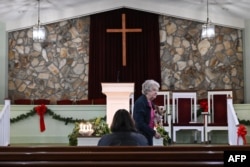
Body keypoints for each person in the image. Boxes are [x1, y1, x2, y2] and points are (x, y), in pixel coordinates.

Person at [133, 79, 161, 145]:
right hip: (141, 136)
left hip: (148, 134)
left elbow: (150, 116)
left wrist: (156, 117)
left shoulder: (150, 102)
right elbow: (139, 123)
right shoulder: (140, 103)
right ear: (147, 91)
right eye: (154, 90)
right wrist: (153, 133)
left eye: (157, 90)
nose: (156, 92)